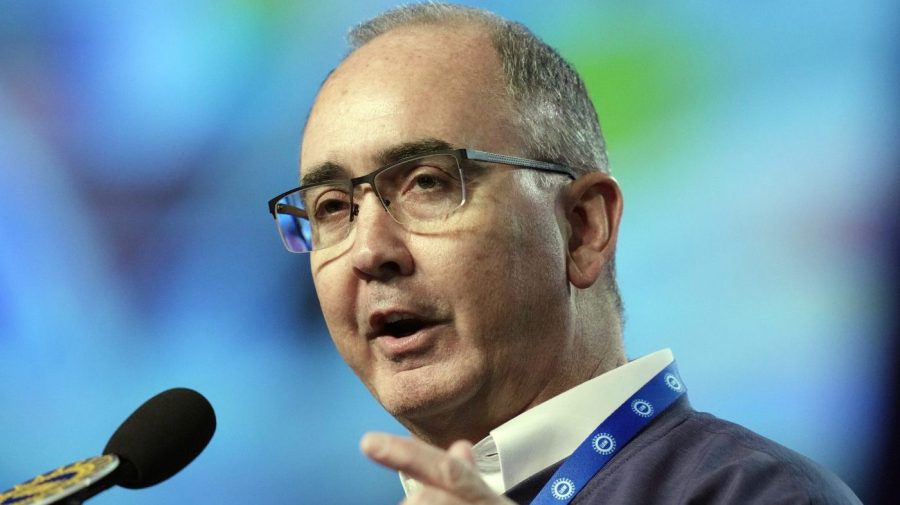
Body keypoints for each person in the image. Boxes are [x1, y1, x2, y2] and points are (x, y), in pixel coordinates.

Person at [267, 3, 861, 504]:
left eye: (428, 182)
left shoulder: (755, 492)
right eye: (331, 208)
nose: (370, 250)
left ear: (582, 228)